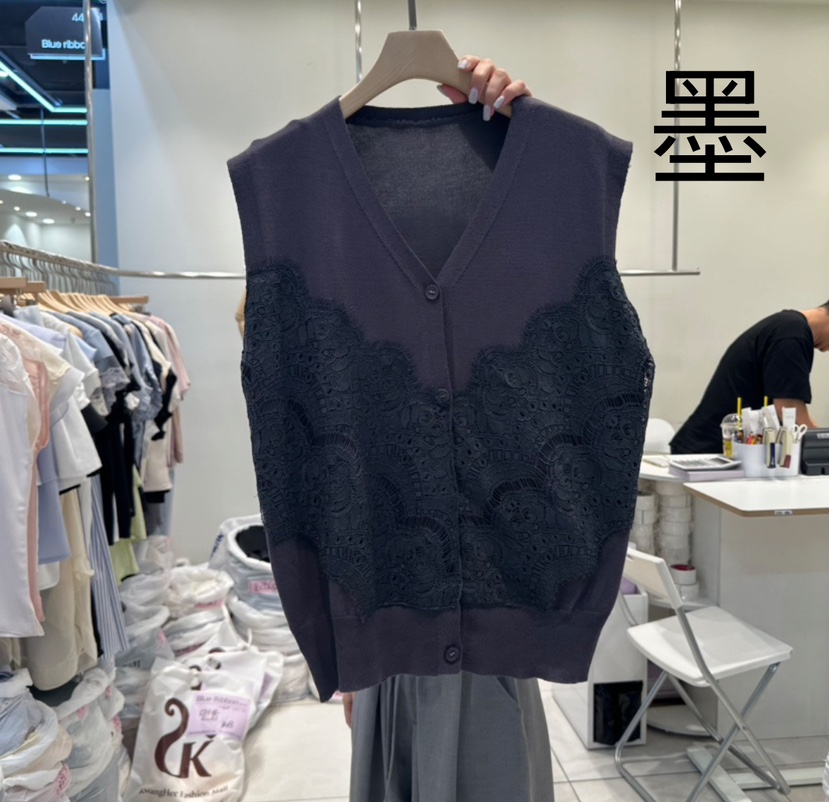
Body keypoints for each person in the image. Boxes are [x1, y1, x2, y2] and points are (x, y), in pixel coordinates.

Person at [341, 58, 553, 802]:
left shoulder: (518, 242)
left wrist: (519, 139)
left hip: (486, 610)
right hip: (384, 616)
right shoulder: (317, 225)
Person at [670, 302, 829, 454]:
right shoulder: (792, 334)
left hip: (722, 448)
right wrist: (823, 445)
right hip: (712, 452)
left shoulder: (787, 327)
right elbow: (788, 409)